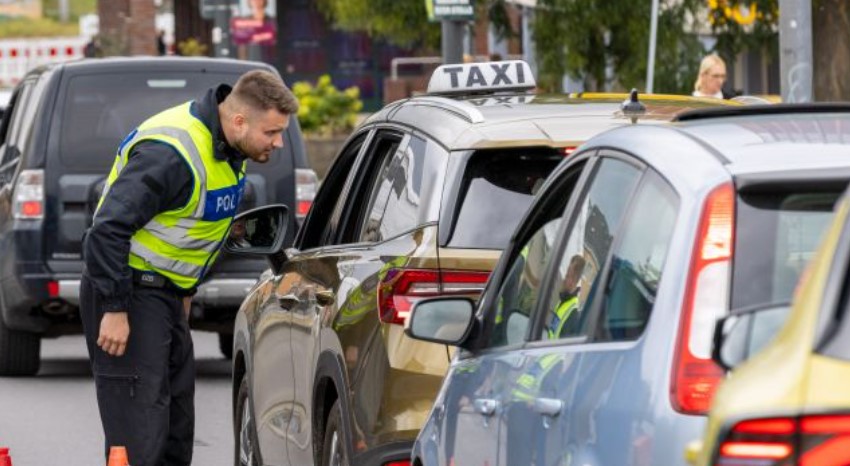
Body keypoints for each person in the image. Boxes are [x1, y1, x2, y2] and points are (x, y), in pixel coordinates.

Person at [80, 69, 299, 466]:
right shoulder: (172, 154)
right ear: (238, 120)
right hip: (129, 295)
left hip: (165, 298)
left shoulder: (228, 147)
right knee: (138, 437)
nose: (278, 142)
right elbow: (106, 229)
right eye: (271, 132)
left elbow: (191, 230)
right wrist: (115, 308)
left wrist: (184, 292)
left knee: (174, 432)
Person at [546, 254, 585, 339]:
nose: (564, 279)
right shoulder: (563, 302)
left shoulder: (572, 313)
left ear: (573, 281)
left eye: (567, 276)